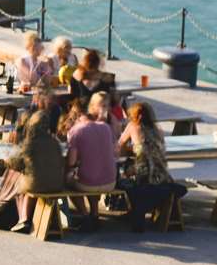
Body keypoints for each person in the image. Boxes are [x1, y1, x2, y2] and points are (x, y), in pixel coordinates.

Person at [0, 87, 66, 232]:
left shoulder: (30, 144)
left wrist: (9, 157)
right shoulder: (54, 142)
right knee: (31, 175)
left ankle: (23, 219)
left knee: (19, 182)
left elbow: (15, 164)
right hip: (58, 183)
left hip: (37, 181)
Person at [116, 101, 176, 231]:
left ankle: (132, 208)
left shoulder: (133, 126)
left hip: (144, 176)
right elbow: (153, 150)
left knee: (121, 176)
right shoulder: (158, 130)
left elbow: (118, 147)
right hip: (163, 176)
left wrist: (129, 149)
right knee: (139, 167)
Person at [66, 92, 118, 193]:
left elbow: (71, 162)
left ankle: (82, 209)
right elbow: (115, 150)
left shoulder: (76, 130)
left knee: (66, 181)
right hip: (111, 183)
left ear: (78, 116)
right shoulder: (106, 127)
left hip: (87, 184)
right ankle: (93, 209)